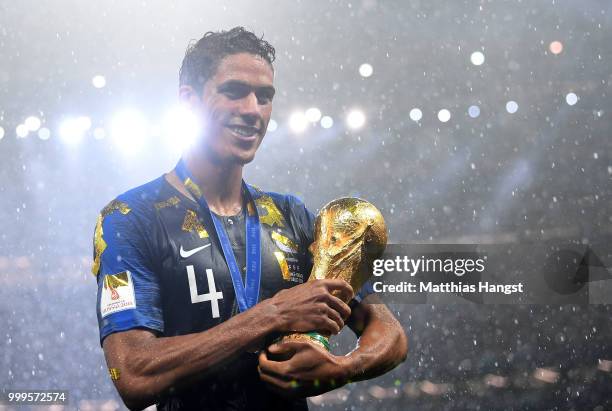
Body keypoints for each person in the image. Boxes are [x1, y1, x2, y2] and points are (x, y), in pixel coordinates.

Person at [92, 26, 407, 411]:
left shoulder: (292, 216)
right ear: (189, 101)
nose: (253, 110)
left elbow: (389, 332)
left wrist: (342, 368)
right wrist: (271, 315)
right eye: (234, 91)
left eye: (264, 97)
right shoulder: (129, 218)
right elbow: (131, 374)